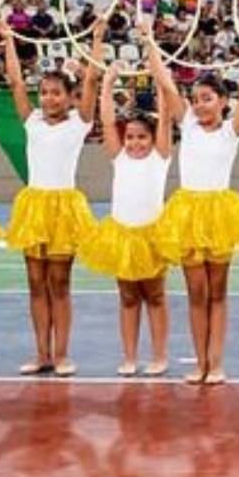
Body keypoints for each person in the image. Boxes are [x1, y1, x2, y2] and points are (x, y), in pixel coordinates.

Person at [156, 39, 239, 385]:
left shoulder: (231, 131)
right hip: (188, 214)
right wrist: (149, 43)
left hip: (219, 215)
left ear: (222, 102)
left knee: (217, 292)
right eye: (196, 99)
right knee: (196, 292)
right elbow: (165, 82)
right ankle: (200, 361)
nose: (200, 105)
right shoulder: (187, 124)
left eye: (207, 98)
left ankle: (216, 362)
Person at [0, 19, 98, 377]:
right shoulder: (32, 122)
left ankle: (62, 354)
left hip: (64, 208)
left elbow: (91, 82)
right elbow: (14, 81)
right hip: (34, 207)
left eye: (57, 92)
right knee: (36, 284)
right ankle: (41, 353)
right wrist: (8, 39)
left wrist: (97, 39)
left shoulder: (80, 122)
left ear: (69, 97)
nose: (49, 98)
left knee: (60, 284)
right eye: (44, 92)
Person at [80, 30, 177, 377]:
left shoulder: (161, 157)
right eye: (131, 137)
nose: (135, 143)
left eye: (142, 137)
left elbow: (166, 114)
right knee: (127, 297)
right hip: (122, 234)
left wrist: (154, 62)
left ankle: (160, 354)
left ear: (153, 139)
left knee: (155, 296)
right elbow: (106, 120)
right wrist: (107, 83)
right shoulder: (119, 157)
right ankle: (130, 356)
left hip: (152, 235)